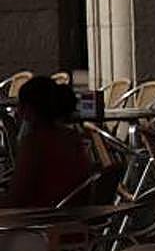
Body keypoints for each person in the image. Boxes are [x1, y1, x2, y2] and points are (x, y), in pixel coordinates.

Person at [1, 75, 92, 208]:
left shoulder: (34, 143)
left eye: (20, 105)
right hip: (73, 216)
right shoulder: (73, 138)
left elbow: (17, 197)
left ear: (29, 109)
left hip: (41, 219)